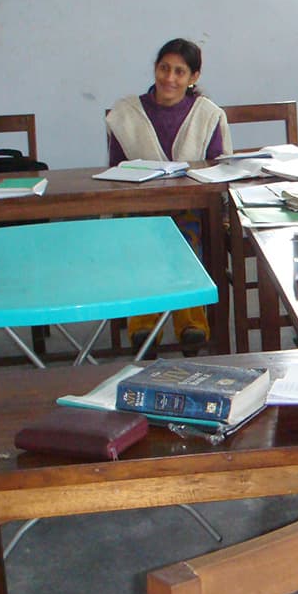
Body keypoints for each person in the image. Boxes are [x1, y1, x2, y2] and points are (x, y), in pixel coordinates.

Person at [106, 38, 232, 356]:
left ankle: (191, 325)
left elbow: (219, 169)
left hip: (192, 208)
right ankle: (144, 326)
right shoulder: (126, 113)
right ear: (155, 69)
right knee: (144, 234)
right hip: (140, 207)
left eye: (180, 71)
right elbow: (114, 171)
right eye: (164, 68)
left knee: (183, 232)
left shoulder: (208, 115)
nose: (169, 79)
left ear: (194, 77)